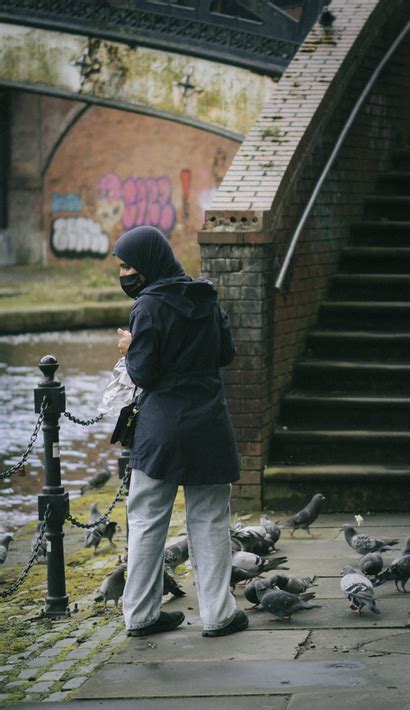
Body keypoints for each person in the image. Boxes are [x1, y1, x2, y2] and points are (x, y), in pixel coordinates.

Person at [112, 225, 248, 638]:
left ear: (147, 265)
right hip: (208, 421)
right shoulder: (205, 296)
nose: (123, 275)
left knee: (148, 519)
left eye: (127, 266)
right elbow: (225, 353)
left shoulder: (147, 307)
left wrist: (130, 346)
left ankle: (140, 615)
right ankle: (219, 615)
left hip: (161, 428)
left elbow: (144, 373)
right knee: (209, 520)